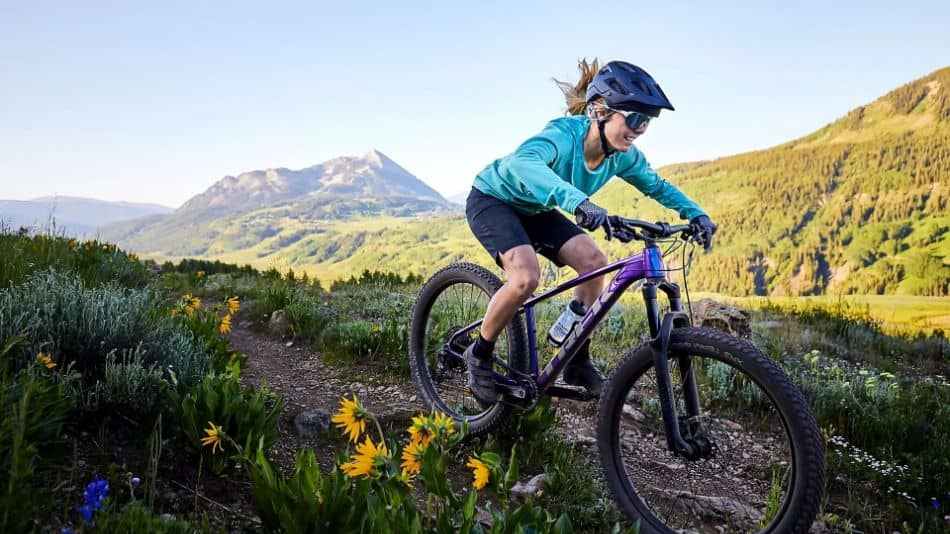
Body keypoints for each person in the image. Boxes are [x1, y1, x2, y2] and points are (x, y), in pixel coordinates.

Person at [464, 59, 716, 402]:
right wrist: (577, 202)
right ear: (600, 110)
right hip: (494, 199)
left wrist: (696, 213)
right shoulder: (563, 136)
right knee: (525, 277)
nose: (640, 130)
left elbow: (657, 186)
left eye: (647, 123)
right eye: (635, 119)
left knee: (595, 262)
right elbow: (522, 163)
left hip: (538, 207)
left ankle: (577, 359)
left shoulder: (623, 156)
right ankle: (478, 354)